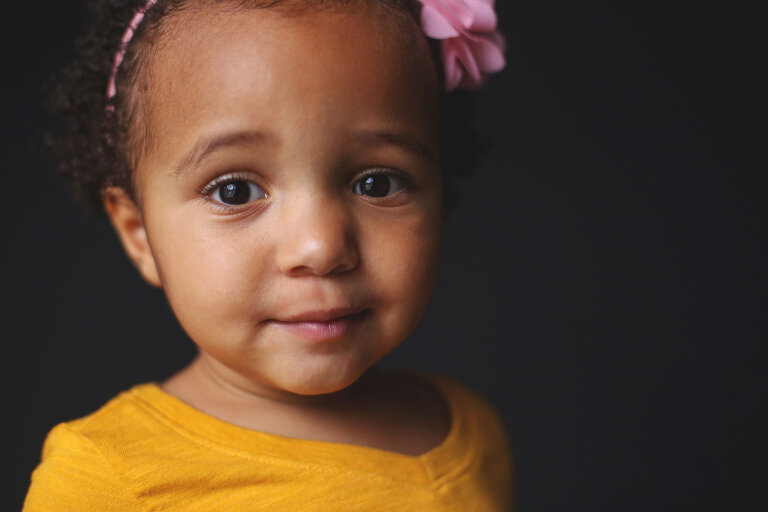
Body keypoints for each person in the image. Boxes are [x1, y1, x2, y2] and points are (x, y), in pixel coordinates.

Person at [23, 0, 511, 510]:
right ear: (139, 232)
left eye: (377, 182)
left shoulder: (470, 430)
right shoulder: (111, 481)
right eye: (235, 191)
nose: (320, 248)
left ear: (440, 194)